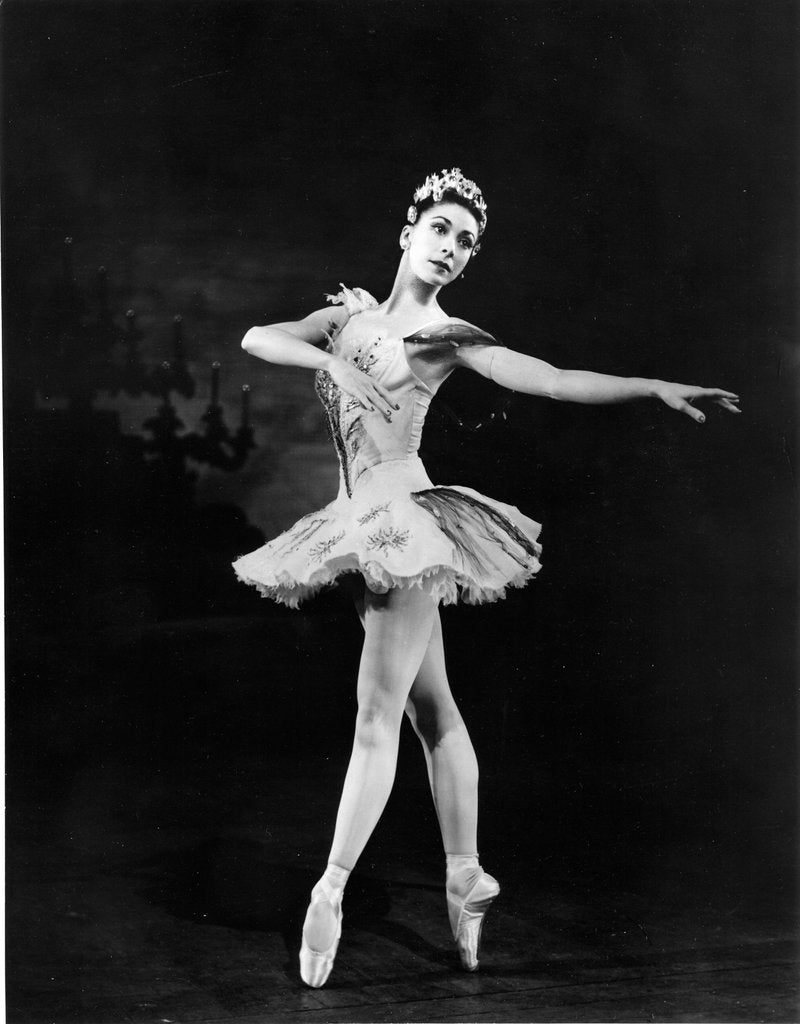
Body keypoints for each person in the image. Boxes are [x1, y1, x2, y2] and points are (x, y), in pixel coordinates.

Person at [232, 167, 740, 987]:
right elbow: (261, 336)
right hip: (359, 518)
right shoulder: (350, 316)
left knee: (376, 716)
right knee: (435, 709)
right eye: (441, 230)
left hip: (401, 522)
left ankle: (329, 890)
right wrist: (335, 362)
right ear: (408, 233)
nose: (452, 249)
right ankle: (465, 874)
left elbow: (547, 378)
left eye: (466, 242)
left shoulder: (445, 337)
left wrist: (649, 386)